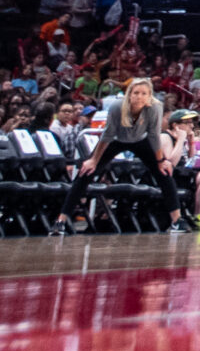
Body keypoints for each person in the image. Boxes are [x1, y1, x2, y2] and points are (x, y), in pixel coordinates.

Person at [53, 77, 181, 234]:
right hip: (115, 140)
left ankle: (177, 221)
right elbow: (107, 134)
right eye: (136, 93)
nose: (139, 96)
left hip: (141, 140)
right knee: (85, 172)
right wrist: (93, 160)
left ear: (149, 95)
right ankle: (61, 221)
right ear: (129, 94)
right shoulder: (117, 106)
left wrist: (161, 160)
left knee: (164, 172)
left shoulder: (155, 107)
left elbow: (154, 135)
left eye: (144, 93)